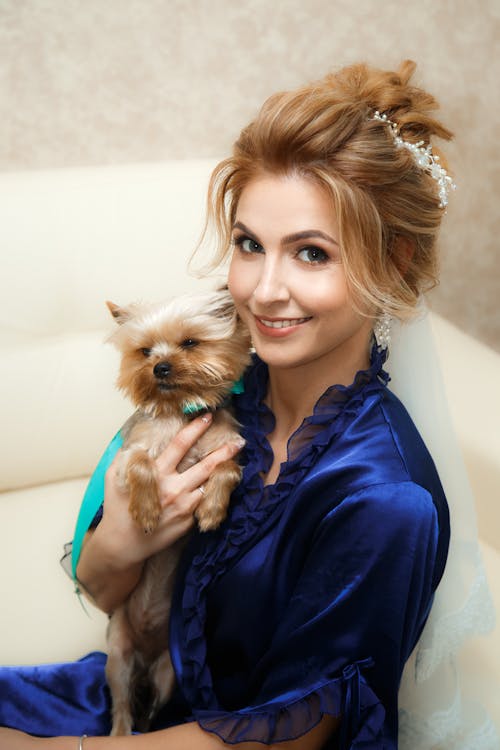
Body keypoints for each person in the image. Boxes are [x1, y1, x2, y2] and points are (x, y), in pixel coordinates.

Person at [0, 60, 491, 749]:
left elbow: (292, 738)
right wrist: (118, 544)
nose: (262, 290)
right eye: (249, 244)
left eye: (312, 254)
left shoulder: (384, 500)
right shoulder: (219, 385)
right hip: (151, 698)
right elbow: (108, 591)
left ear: (396, 261)